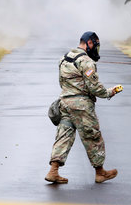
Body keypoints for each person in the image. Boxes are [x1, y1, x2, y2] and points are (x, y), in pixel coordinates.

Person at [46, 31, 123, 184]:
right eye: (95, 45)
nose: (95, 49)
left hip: (65, 103)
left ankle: (53, 171)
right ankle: (100, 172)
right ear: (89, 43)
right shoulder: (86, 61)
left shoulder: (64, 58)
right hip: (81, 106)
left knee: (64, 136)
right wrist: (110, 92)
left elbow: (62, 83)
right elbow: (94, 87)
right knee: (92, 136)